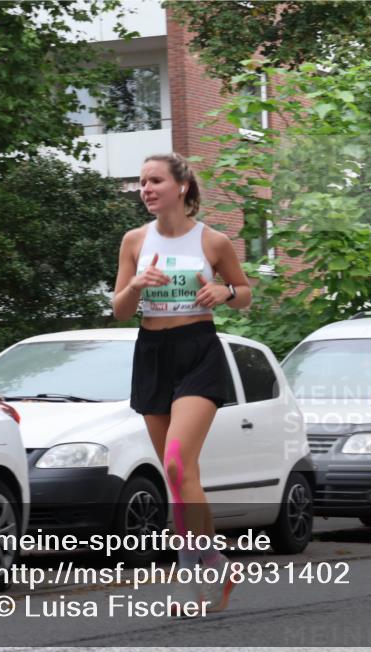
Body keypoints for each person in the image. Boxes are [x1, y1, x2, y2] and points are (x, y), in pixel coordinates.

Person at [113, 153, 252, 613]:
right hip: (152, 353)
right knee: (180, 479)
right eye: (142, 182)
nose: (146, 188)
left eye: (154, 181)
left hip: (198, 351)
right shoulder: (135, 240)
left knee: (175, 464)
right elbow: (119, 309)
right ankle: (213, 565)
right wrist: (136, 285)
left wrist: (224, 292)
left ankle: (191, 573)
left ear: (182, 187)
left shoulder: (212, 241)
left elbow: (245, 293)